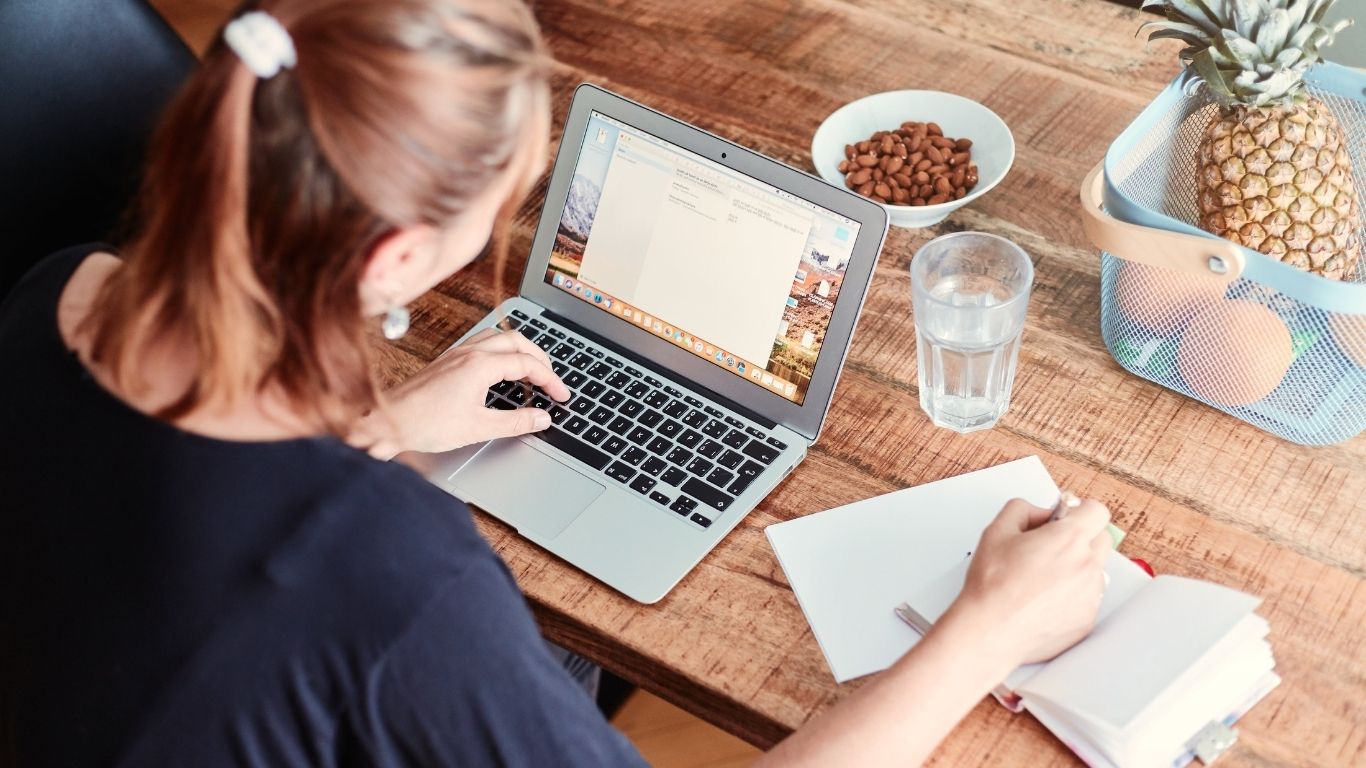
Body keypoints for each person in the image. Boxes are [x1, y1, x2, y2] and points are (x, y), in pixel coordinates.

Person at [0, 0, 1113, 765]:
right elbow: (329, 588)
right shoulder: (406, 585)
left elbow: (187, 516)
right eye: (501, 209)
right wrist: (985, 628)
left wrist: (379, 424)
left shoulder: (60, 298)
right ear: (394, 260)